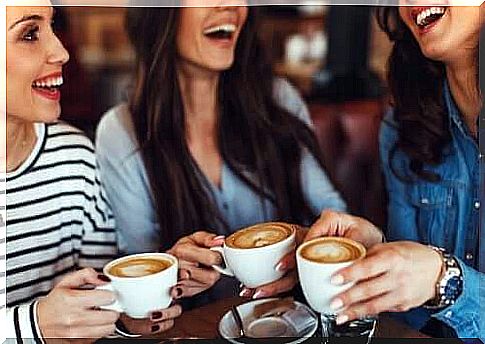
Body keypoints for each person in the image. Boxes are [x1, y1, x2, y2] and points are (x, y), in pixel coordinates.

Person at [96, 3, 345, 306]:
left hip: (287, 323)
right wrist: (170, 270)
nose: (230, 6)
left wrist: (305, 251)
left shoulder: (277, 101)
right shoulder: (121, 132)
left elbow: (336, 219)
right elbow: (135, 277)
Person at [290, 5, 483, 340]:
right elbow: (409, 317)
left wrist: (448, 280)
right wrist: (377, 250)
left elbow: (435, 279)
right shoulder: (405, 124)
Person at [4, 3, 180, 340]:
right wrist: (34, 325)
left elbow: (97, 309)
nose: (61, 52)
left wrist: (129, 311)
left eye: (51, 27)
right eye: (29, 34)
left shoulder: (75, 156)